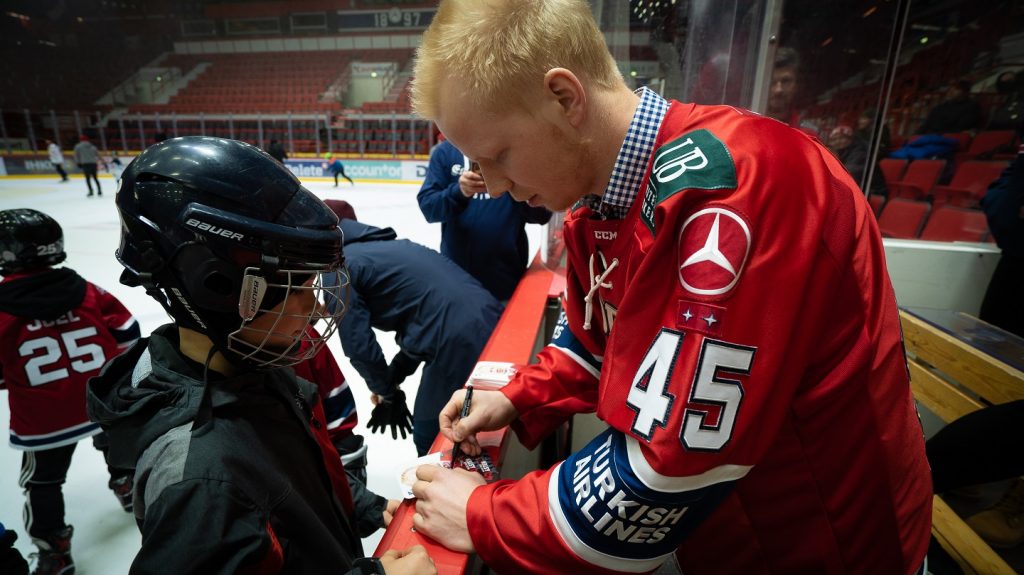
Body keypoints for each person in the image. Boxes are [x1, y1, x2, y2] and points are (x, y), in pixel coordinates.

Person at [407, 2, 932, 574]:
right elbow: (598, 343)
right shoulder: (598, 206)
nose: (498, 186)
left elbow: (673, 463)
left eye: (499, 155)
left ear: (564, 96)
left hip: (832, 548)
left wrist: (484, 514)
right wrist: (515, 396)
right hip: (728, 539)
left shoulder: (746, 183)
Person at [85, 137, 434, 575]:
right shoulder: (202, 482)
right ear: (216, 286)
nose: (316, 306)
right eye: (297, 285)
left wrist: (367, 506)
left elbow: (285, 483)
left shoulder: (254, 365)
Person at [0, 208, 141, 575]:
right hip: (101, 401)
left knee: (42, 481)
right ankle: (128, 485)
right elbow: (128, 332)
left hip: (44, 420)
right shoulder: (87, 291)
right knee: (117, 444)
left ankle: (54, 550)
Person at [321, 200, 503, 456]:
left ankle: (448, 491)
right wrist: (391, 380)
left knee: (433, 432)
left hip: (455, 339)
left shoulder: (340, 269)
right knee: (465, 420)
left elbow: (359, 345)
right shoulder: (391, 248)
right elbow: (424, 324)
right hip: (493, 318)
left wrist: (387, 392)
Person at [417, 139, 551, 301]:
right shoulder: (445, 152)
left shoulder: (516, 151)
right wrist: (459, 192)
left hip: (506, 282)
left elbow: (542, 215)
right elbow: (429, 209)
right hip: (455, 281)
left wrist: (515, 185)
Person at [765, 46, 819, 137]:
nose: (778, 90)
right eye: (771, 81)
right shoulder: (742, 123)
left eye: (786, 81)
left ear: (796, 85)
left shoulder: (808, 135)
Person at [917, 80, 983, 135]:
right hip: (930, 137)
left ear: (965, 92)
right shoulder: (940, 107)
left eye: (956, 89)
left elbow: (961, 128)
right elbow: (926, 124)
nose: (950, 91)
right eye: (950, 88)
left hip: (946, 139)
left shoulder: (971, 107)